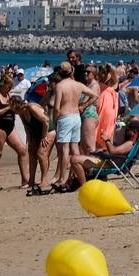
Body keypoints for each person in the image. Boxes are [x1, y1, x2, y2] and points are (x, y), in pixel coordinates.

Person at [51, 61, 96, 191]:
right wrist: (82, 105)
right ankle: (77, 174)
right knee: (75, 147)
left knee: (65, 149)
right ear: (72, 71)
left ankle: (62, 178)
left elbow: (56, 107)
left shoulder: (60, 86)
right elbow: (94, 96)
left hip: (65, 117)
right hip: (76, 117)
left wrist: (55, 121)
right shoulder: (78, 84)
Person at [0, 76, 28, 191]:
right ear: (2, 84)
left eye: (12, 86)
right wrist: (8, 108)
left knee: (22, 150)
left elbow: (15, 110)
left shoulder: (9, 95)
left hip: (10, 126)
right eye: (9, 85)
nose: (11, 88)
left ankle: (25, 180)